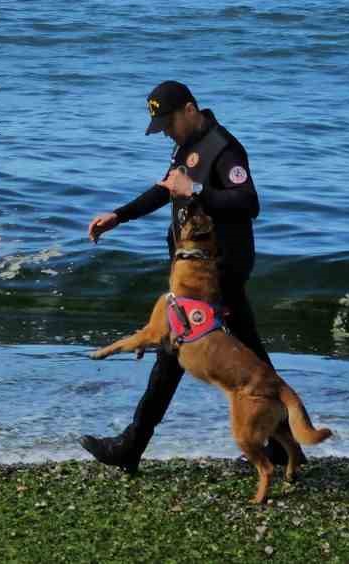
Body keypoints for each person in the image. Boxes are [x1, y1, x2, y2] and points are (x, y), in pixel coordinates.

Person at [79, 80, 283, 474]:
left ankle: (130, 447)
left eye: (168, 123)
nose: (166, 132)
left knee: (174, 353)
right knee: (248, 359)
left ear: (190, 110)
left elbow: (248, 202)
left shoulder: (225, 149)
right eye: (161, 127)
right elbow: (166, 190)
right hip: (198, 272)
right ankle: (285, 445)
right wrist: (119, 216)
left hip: (220, 272)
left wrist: (198, 189)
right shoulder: (187, 146)